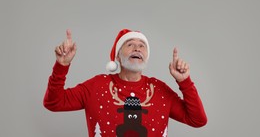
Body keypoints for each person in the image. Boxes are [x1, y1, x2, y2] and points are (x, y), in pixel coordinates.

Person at [43, 28, 207, 136]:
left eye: (142, 46)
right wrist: (61, 66)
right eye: (130, 44)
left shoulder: (158, 89)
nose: (137, 48)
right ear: (117, 57)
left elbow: (197, 120)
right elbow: (53, 102)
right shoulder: (95, 86)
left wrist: (185, 82)